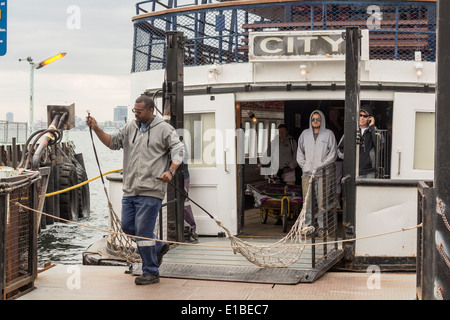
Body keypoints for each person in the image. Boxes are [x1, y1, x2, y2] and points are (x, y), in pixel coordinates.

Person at [86, 94, 184, 285]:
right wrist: (96, 128)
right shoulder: (130, 127)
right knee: (128, 227)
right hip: (130, 189)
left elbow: (179, 149)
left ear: (150, 110)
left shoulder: (164, 129)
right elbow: (112, 142)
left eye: (139, 112)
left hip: (151, 189)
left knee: (142, 231)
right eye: (134, 111)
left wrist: (170, 171)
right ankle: (157, 247)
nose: (136, 114)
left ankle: (151, 271)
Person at [297, 110, 337, 229]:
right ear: (310, 120)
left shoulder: (329, 134)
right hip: (307, 173)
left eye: (318, 119)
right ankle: (308, 225)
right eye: (313, 119)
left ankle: (322, 226)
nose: (315, 121)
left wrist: (322, 166)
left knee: (322, 201)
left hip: (323, 174)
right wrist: (304, 165)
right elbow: (300, 152)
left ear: (322, 120)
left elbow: (333, 153)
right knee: (307, 201)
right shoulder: (305, 134)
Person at [358, 106, 378, 178]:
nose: (362, 118)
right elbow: (340, 148)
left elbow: (380, 143)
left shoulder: (373, 130)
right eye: (360, 115)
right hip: (355, 170)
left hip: (370, 170)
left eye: (365, 116)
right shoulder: (352, 130)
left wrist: (372, 126)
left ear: (369, 118)